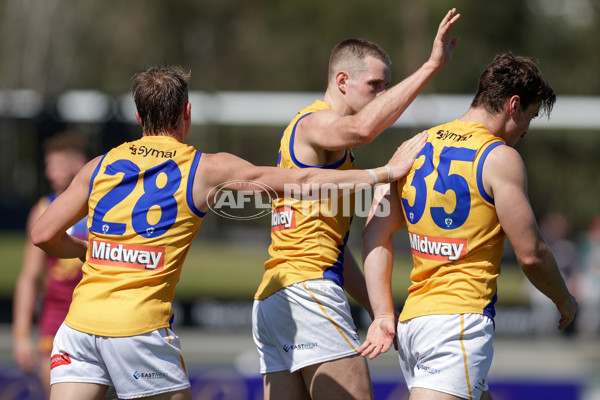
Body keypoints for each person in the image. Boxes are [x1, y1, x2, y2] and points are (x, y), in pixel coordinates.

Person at [30, 65, 428, 400]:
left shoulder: (100, 165)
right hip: (137, 329)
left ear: (139, 117)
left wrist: (84, 251)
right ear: (187, 112)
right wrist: (384, 173)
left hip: (77, 328)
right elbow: (303, 181)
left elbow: (43, 232)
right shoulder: (204, 169)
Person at [252, 8, 460, 400]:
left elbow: (333, 253)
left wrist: (382, 313)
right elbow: (362, 129)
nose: (382, 95)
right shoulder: (314, 122)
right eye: (376, 85)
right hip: (308, 291)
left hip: (275, 297)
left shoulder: (333, 150)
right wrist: (432, 66)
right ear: (342, 80)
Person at [358, 53, 578, 400]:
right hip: (457, 324)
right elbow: (532, 255)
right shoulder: (499, 158)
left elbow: (373, 234)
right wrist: (564, 300)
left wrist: (383, 312)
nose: (525, 132)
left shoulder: (414, 147)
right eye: (530, 118)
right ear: (513, 105)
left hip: (414, 324)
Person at [12, 132, 89, 397]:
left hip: (95, 316)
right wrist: (21, 335)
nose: (48, 172)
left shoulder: (101, 209)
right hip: (54, 321)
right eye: (48, 165)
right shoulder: (41, 210)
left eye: (56, 165)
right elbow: (29, 278)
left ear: (78, 164)